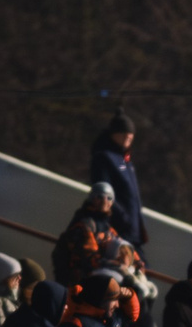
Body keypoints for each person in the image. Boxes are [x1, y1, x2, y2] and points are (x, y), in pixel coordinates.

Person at [89, 113, 146, 247]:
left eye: (131, 133)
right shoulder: (103, 157)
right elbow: (103, 191)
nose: (128, 136)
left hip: (133, 231)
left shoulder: (126, 160)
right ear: (114, 134)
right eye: (124, 132)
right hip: (116, 229)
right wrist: (123, 218)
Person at [54, 183, 126, 287]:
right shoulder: (85, 224)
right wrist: (115, 265)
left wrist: (134, 261)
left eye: (109, 198)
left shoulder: (106, 225)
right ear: (92, 198)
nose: (104, 201)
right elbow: (89, 255)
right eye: (99, 197)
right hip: (77, 278)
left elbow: (121, 245)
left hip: (94, 270)